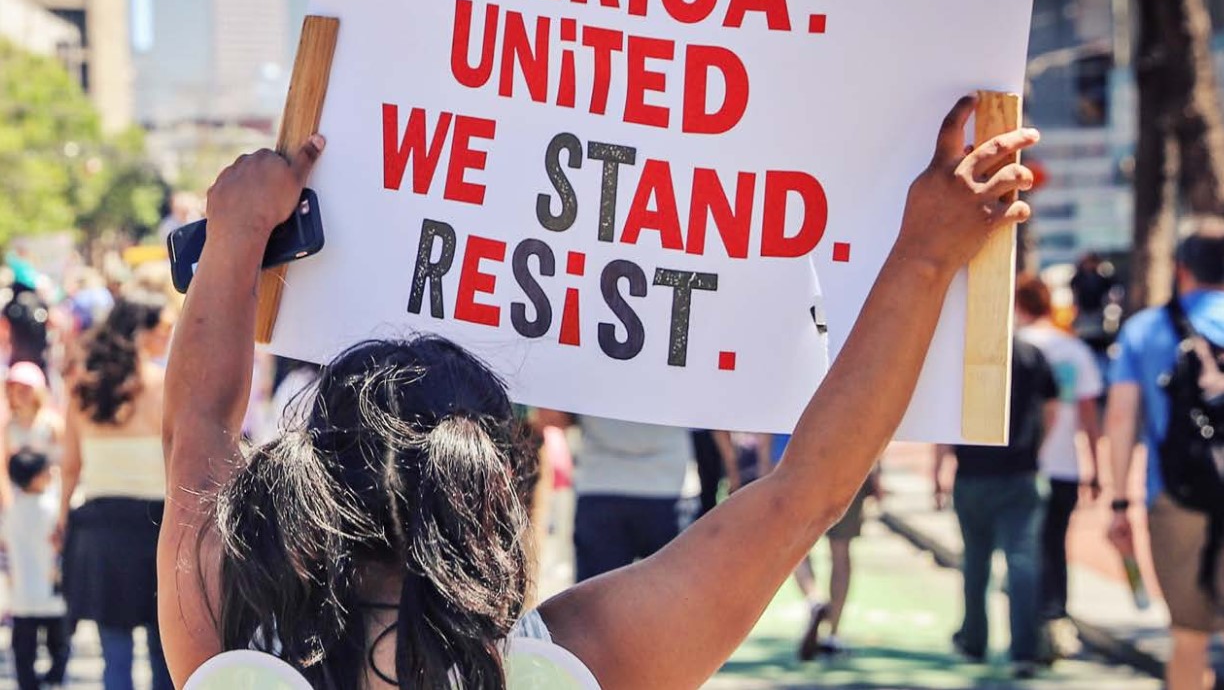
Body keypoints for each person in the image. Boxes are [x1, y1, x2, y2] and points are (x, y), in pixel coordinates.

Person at [157, 96, 1038, 688]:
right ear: (495, 488)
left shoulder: (232, 628)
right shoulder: (569, 663)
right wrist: (924, 255)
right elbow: (806, 493)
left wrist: (236, 230)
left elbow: (197, 420)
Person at [1105, 219, 1224, 690]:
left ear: (1181, 269)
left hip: (1176, 496)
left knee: (1189, 639)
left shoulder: (1146, 329)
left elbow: (1120, 421)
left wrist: (1119, 503)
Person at [61, 292, 174, 690]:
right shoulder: (166, 385)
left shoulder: (83, 388)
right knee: (165, 649)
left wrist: (60, 520)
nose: (169, 336)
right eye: (162, 330)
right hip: (158, 527)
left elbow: (71, 467)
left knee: (115, 649)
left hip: (103, 528)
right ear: (142, 333)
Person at [934, 338, 1059, 678]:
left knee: (976, 562)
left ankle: (974, 640)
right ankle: (1024, 650)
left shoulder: (964, 354)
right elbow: (1051, 409)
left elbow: (946, 415)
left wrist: (939, 468)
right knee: (1022, 563)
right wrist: (1036, 450)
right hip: (1020, 472)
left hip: (974, 473)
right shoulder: (1032, 354)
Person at [1014, 273, 1103, 646]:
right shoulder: (1073, 350)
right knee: (1055, 545)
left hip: (1018, 464)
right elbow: (1089, 414)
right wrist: (1096, 468)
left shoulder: (1012, 346)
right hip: (1065, 463)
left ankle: (1030, 630)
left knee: (1022, 551)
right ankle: (1056, 619)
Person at [531, 413, 694, 582]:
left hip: (600, 483)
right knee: (665, 598)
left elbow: (551, 417)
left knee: (596, 602)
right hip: (665, 485)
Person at [761, 431, 877, 659]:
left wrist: (764, 468)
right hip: (847, 460)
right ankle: (833, 633)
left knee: (794, 545)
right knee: (841, 550)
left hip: (792, 462)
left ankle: (813, 599)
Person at [4, 447, 70, 690]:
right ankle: (53, 682)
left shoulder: (11, 512)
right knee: (60, 648)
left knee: (23, 653)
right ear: (37, 477)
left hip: (22, 596)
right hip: (53, 594)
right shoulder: (54, 509)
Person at [1, 361, 63, 509]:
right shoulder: (9, 427)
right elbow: (4, 463)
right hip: (19, 497)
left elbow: (62, 461)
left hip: (48, 494)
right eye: (16, 390)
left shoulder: (51, 424)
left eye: (26, 389)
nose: (21, 394)